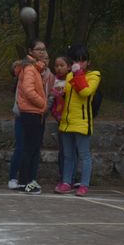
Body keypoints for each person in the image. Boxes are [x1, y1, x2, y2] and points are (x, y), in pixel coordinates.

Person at [54, 45, 101, 197]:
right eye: (76, 61)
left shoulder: (94, 76)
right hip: (67, 122)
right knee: (68, 155)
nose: (79, 64)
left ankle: (84, 184)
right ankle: (66, 182)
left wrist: (78, 74)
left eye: (82, 61)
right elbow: (65, 94)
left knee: (84, 155)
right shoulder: (69, 76)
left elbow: (85, 92)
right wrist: (59, 94)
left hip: (82, 122)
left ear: (88, 62)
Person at [8, 40, 48, 191]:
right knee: (29, 149)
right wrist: (42, 103)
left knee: (32, 148)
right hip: (31, 112)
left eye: (43, 49)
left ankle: (28, 181)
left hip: (34, 112)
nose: (42, 52)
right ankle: (25, 182)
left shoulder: (35, 68)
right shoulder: (30, 68)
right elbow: (28, 90)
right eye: (38, 49)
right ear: (30, 51)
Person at [50, 55, 72, 183]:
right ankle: (63, 175)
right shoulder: (54, 81)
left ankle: (72, 176)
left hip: (73, 119)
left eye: (62, 65)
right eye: (56, 66)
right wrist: (55, 114)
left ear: (68, 67)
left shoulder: (72, 79)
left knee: (74, 149)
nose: (59, 68)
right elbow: (52, 101)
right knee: (63, 149)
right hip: (60, 119)